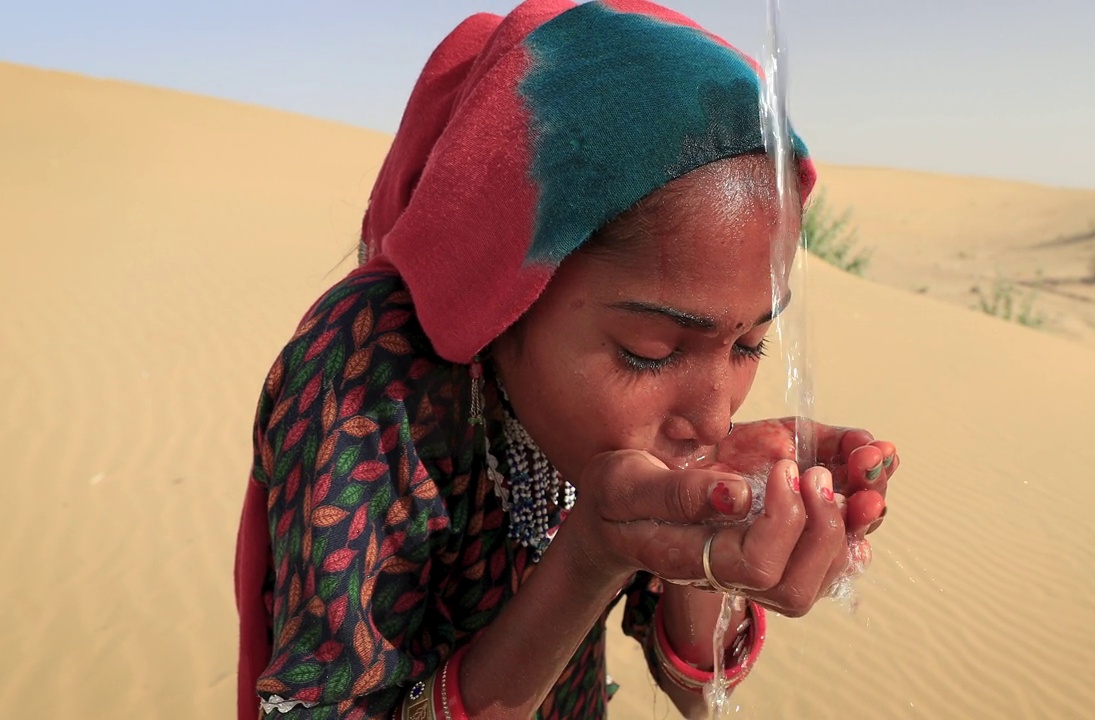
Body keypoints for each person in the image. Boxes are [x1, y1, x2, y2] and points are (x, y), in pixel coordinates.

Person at [234, 1, 899, 718]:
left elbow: (698, 693)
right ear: (508, 292)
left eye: (748, 346)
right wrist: (587, 559)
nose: (711, 419)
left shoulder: (612, 423)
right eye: (649, 352)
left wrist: (708, 550)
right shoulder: (370, 375)